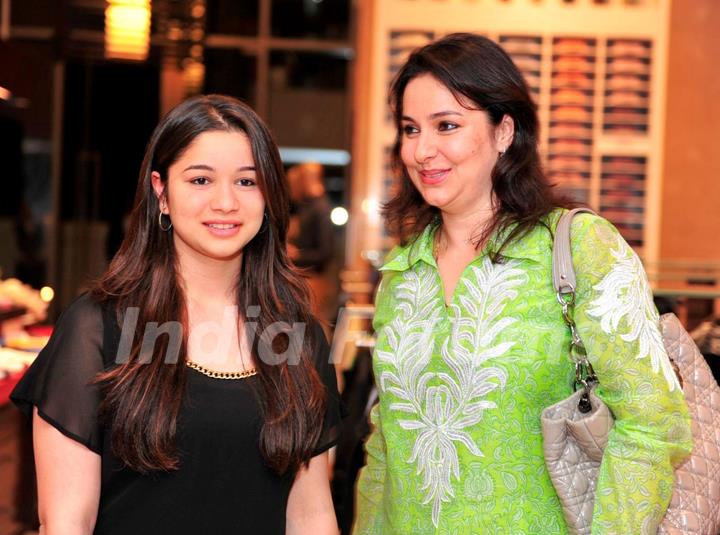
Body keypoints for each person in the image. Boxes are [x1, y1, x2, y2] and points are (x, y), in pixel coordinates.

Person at [354, 33, 691, 534]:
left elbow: (653, 424)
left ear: (504, 131)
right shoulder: (402, 273)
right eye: (409, 129)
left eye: (447, 125)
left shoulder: (579, 247)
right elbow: (386, 448)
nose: (422, 150)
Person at [11, 94, 341, 535]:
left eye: (247, 182)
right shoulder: (98, 329)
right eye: (200, 180)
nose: (226, 202)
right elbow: (67, 522)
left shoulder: (297, 337)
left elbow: (311, 515)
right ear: (160, 191)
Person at [286, 162, 337, 326]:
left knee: (313, 331)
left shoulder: (321, 208)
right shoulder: (308, 207)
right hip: (306, 279)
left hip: (315, 281)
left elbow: (326, 252)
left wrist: (297, 255)